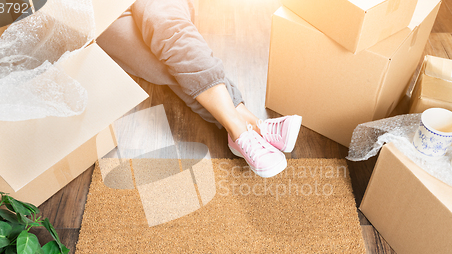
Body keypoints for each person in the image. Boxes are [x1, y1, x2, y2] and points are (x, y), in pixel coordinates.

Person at [96, 0, 302, 178]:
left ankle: (238, 130)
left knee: (169, 28)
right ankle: (249, 123)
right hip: (97, 8)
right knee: (158, 63)